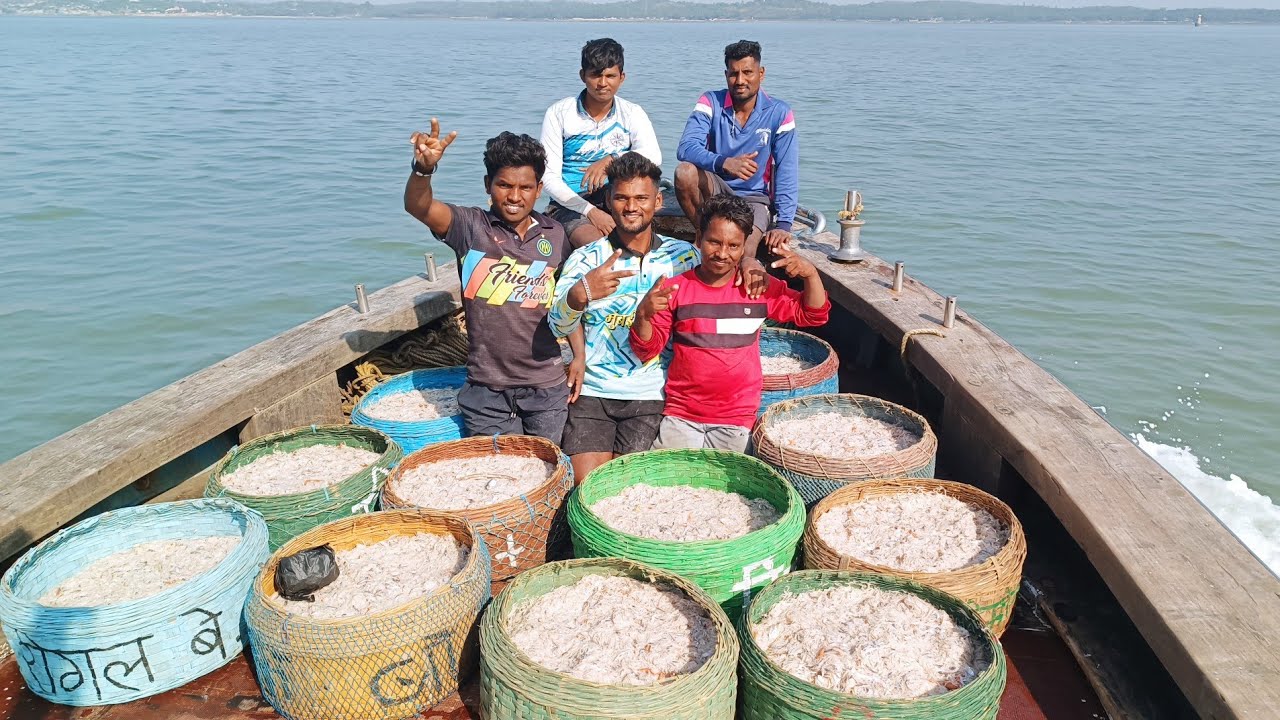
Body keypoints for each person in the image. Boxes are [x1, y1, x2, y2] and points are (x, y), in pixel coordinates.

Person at [403, 118, 580, 445]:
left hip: (546, 389)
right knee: (504, 473)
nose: (515, 196)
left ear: (539, 189)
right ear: (487, 184)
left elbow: (570, 300)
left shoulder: (555, 235)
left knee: (550, 467)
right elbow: (419, 206)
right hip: (487, 392)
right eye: (504, 185)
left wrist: (579, 357)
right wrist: (423, 170)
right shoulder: (469, 227)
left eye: (525, 187)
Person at [630, 194, 829, 453]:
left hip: (737, 419)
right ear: (699, 238)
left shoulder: (757, 287)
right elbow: (647, 349)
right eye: (714, 242)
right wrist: (642, 316)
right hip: (682, 415)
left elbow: (812, 315)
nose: (722, 254)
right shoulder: (675, 289)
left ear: (745, 245)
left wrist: (810, 274)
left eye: (733, 246)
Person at [548, 152, 699, 482]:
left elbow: (716, 293)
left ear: (658, 201)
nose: (632, 207)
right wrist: (579, 294)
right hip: (592, 392)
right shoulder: (587, 257)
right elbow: (556, 324)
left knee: (626, 487)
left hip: (652, 393)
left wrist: (750, 264)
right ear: (608, 200)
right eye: (622, 197)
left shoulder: (684, 257)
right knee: (585, 486)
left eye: (641, 198)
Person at [674, 39, 798, 287]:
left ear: (760, 74)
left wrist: (784, 223)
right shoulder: (711, 102)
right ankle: (704, 234)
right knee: (684, 172)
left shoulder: (779, 113)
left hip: (754, 199)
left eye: (747, 72)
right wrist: (723, 163)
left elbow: (787, 169)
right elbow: (685, 148)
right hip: (716, 189)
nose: (740, 80)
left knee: (745, 253)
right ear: (726, 74)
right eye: (734, 73)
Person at [540, 38, 663, 249]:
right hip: (572, 202)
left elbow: (653, 156)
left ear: (621, 78)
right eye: (595, 75)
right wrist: (590, 211)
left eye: (610, 76)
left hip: (620, 197)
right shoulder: (559, 113)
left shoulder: (632, 113)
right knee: (596, 246)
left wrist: (612, 160)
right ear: (583, 76)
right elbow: (548, 177)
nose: (602, 83)